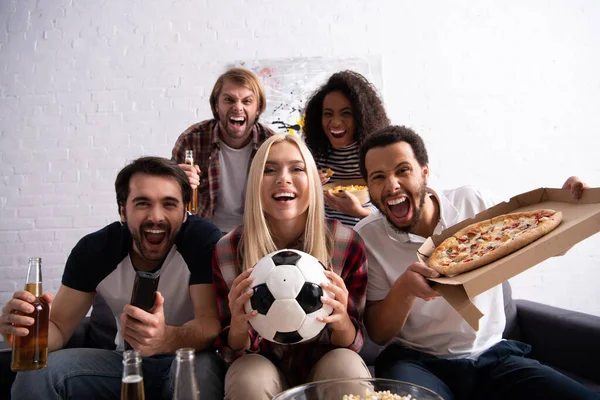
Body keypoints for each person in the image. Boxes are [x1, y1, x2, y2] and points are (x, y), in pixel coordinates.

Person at [354, 125, 599, 400]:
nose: (392, 185)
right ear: (369, 189)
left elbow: (551, 247)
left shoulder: (473, 203)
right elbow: (377, 333)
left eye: (402, 170)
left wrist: (576, 208)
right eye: (378, 177)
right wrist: (405, 290)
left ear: (424, 172)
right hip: (415, 362)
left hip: (494, 356)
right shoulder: (367, 236)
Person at [1, 157, 226, 400]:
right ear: (122, 211)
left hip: (189, 357)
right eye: (142, 203)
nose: (156, 217)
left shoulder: (201, 240)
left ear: (184, 213)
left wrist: (165, 338)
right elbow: (58, 328)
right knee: (34, 375)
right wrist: (26, 332)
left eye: (169, 204)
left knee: (200, 374)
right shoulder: (94, 250)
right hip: (124, 362)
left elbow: (209, 323)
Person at [212, 134, 370, 399]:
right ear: (254, 183)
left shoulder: (347, 243)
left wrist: (342, 320)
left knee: (346, 366)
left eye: (297, 169)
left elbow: (350, 345)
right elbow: (234, 351)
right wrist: (238, 325)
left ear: (313, 180)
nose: (283, 178)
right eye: (269, 169)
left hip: (324, 365)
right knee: (249, 375)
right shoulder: (227, 249)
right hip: (262, 367)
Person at [172, 67, 275, 234]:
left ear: (258, 108)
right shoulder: (191, 139)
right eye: (229, 100)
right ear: (216, 105)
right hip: (205, 231)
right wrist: (176, 184)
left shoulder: (271, 144)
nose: (238, 107)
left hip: (256, 233)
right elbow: (169, 198)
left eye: (247, 101)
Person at [303, 70, 390, 227]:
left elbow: (392, 205)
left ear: (361, 117)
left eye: (346, 114)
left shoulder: (376, 154)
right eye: (328, 114)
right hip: (325, 236)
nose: (336, 123)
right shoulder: (314, 154)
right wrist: (306, 184)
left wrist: (361, 212)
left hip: (368, 234)